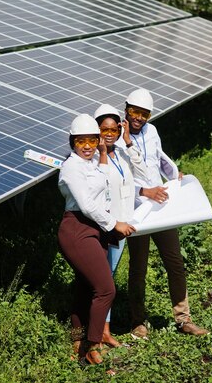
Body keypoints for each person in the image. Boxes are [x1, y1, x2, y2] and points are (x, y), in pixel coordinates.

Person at [123, 88, 209, 338]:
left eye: (144, 114)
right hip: (136, 209)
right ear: (125, 109)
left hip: (160, 207)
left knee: (175, 263)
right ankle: (138, 322)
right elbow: (118, 178)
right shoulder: (117, 137)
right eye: (134, 112)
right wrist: (143, 191)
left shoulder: (152, 132)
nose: (139, 118)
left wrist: (175, 174)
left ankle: (184, 320)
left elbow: (160, 158)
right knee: (138, 268)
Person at [57, 114, 136, 365]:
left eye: (92, 140)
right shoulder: (71, 167)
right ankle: (94, 345)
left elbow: (101, 179)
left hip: (94, 230)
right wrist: (115, 225)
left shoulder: (91, 162)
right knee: (106, 289)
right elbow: (88, 205)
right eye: (81, 141)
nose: (88, 145)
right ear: (73, 142)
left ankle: (78, 343)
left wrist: (103, 154)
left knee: (85, 288)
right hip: (77, 229)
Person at [92, 104, 148, 348]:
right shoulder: (92, 157)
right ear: (96, 130)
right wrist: (102, 152)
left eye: (115, 129)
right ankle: (99, 332)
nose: (110, 133)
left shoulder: (122, 152)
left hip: (124, 225)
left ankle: (104, 330)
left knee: (109, 279)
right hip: (107, 227)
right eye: (105, 129)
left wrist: (128, 142)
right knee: (103, 281)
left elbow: (143, 173)